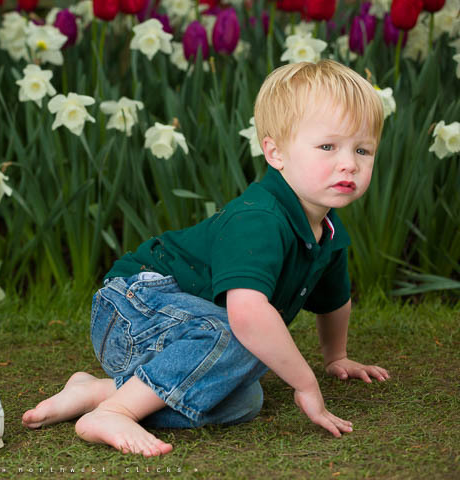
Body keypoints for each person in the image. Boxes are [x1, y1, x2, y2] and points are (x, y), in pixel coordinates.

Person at [22, 59, 390, 457]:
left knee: (242, 400)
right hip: (132, 308)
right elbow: (247, 314)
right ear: (275, 152)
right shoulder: (260, 219)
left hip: (181, 333)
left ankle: (96, 392)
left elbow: (335, 301)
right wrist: (305, 384)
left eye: (363, 149)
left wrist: (336, 356)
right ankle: (114, 410)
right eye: (327, 146)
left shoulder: (328, 230)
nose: (349, 162)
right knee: (241, 333)